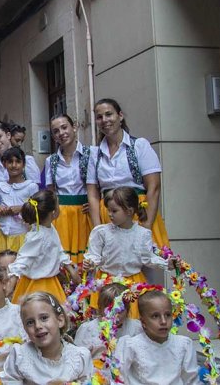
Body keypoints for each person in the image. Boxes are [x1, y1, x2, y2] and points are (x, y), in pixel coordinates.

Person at [87, 98, 169, 249]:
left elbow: (154, 187)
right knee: (112, 261)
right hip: (109, 215)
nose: (104, 120)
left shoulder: (139, 146)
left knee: (145, 259)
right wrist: (98, 229)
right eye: (99, 117)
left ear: (120, 116)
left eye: (108, 114)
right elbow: (92, 194)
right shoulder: (94, 154)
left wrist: (147, 225)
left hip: (138, 213)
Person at [83, 187, 170, 317]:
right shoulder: (101, 232)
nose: (110, 214)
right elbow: (95, 255)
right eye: (108, 210)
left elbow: (148, 259)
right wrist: (90, 263)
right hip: (107, 283)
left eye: (114, 211)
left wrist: (167, 263)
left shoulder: (142, 233)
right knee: (106, 320)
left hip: (133, 283)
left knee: (132, 318)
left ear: (129, 211)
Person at [0, 292, 93, 383]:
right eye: (30, 322)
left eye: (44, 318)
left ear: (60, 320)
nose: (38, 326)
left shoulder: (80, 358)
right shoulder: (20, 356)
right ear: (25, 328)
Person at [0, 121, 41, 259]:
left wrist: (21, 208)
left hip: (23, 226)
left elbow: (37, 199)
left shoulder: (27, 161)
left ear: (8, 135)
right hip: (1, 224)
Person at [6, 190, 75, 305]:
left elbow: (58, 250)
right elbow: (23, 259)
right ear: (53, 212)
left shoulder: (50, 228)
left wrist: (71, 271)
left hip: (50, 282)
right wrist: (12, 281)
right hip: (37, 285)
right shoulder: (38, 236)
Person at [117, 290, 198, 384]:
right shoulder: (131, 346)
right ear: (143, 322)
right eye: (155, 316)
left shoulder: (184, 344)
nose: (163, 321)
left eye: (167, 315)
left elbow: (191, 380)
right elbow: (119, 378)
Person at [44, 114, 94, 263]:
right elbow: (51, 192)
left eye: (64, 127)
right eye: (56, 131)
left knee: (87, 257)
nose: (61, 133)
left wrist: (94, 203)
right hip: (62, 215)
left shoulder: (92, 153)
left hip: (86, 213)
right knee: (64, 258)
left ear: (74, 127)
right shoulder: (51, 161)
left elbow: (98, 185)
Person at [74, 283, 142, 368]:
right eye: (109, 310)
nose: (115, 315)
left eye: (120, 310)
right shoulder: (88, 329)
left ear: (127, 309)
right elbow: (77, 361)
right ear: (100, 308)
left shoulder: (136, 328)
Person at [0, 147, 39, 260]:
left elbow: (37, 212)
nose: (14, 165)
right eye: (10, 162)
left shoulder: (31, 187)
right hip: (3, 236)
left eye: (18, 161)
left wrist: (22, 208)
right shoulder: (0, 187)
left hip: (23, 237)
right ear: (4, 164)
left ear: (24, 164)